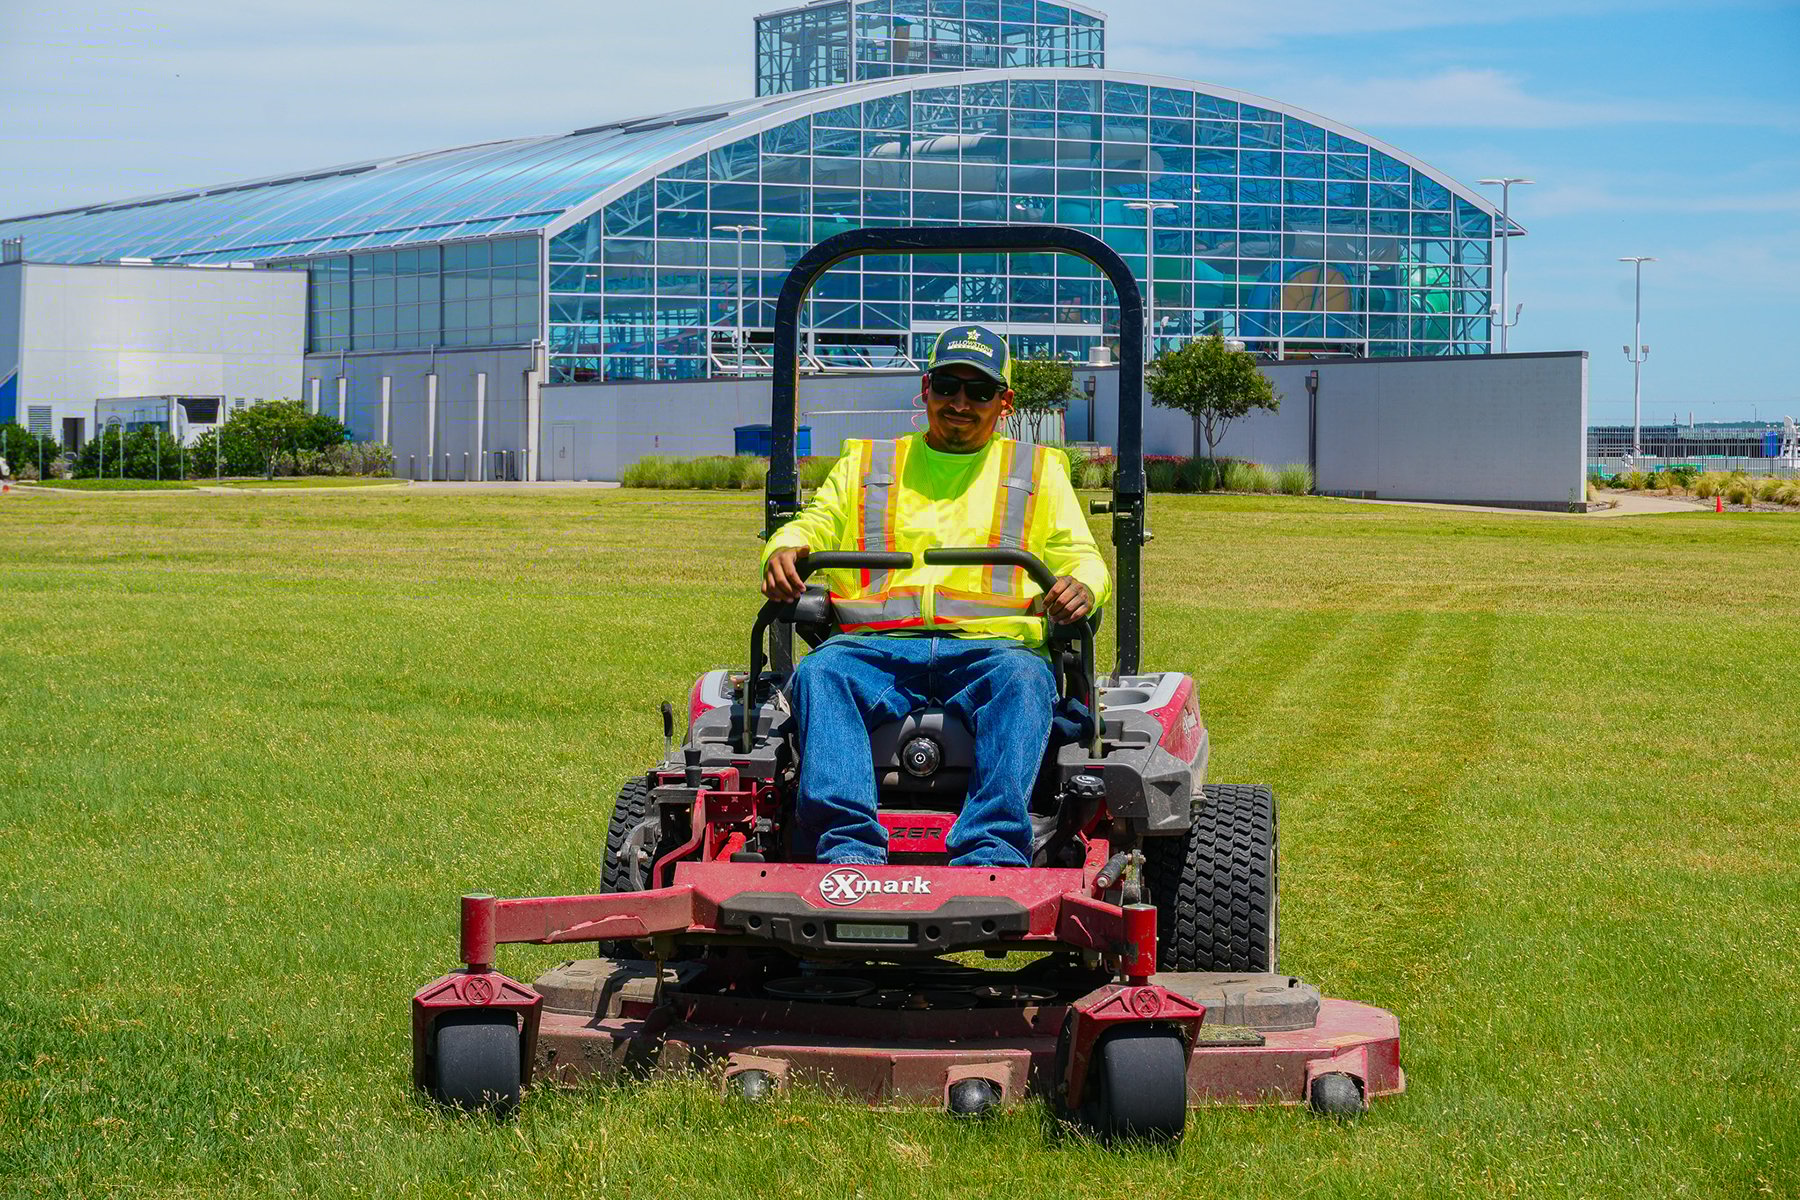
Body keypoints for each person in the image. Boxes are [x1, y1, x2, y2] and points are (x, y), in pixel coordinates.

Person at [761, 325, 1111, 868]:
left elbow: (1079, 554)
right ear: (925, 389)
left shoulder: (1037, 471)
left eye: (979, 391)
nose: (961, 403)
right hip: (875, 650)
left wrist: (1082, 586)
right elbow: (816, 521)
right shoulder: (868, 465)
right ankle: (848, 853)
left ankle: (990, 851)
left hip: (994, 652)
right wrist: (785, 549)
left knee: (1026, 681)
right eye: (948, 386)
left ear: (1005, 401)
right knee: (820, 672)